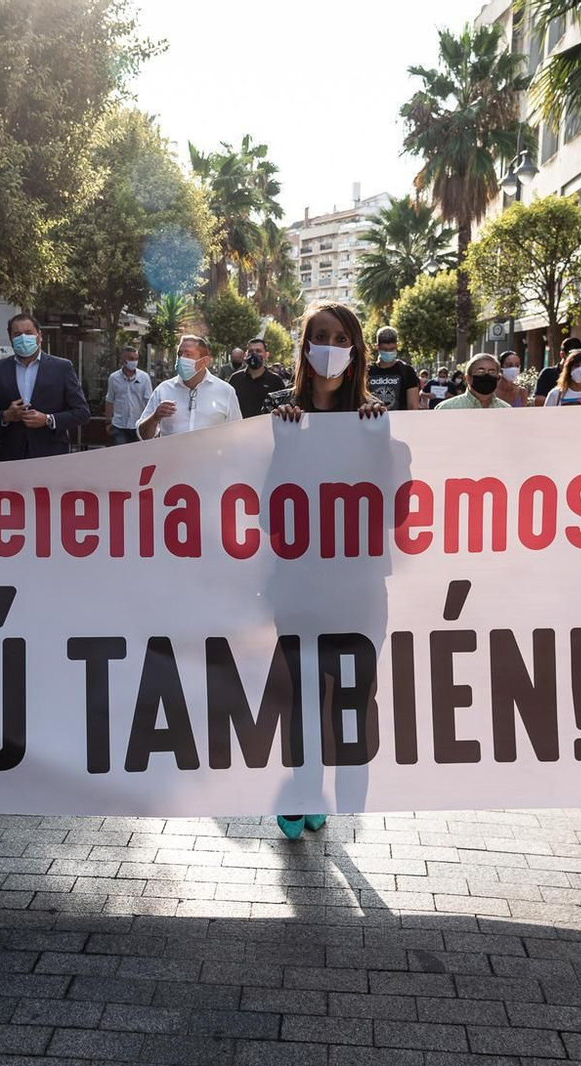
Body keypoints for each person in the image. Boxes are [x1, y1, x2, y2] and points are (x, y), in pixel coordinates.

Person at [270, 302, 387, 840]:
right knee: (301, 694)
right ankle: (302, 793)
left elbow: (392, 507)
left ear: (355, 348)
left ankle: (349, 811)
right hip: (297, 585)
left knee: (354, 696)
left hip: (358, 587)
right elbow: (269, 505)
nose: (330, 347)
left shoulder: (374, 419)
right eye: (319, 336)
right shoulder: (279, 414)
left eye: (340, 337)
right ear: (305, 347)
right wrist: (284, 446)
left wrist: (374, 444)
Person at [0, 313, 91, 460]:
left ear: (39, 336)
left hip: (52, 454)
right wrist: (5, 416)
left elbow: (82, 413)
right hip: (12, 455)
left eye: (28, 333)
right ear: (11, 339)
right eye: (17, 334)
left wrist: (48, 419)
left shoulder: (62, 368)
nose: (23, 338)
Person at [138, 334, 239, 439]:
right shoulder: (163, 390)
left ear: (204, 361)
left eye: (188, 354)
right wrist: (155, 417)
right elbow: (143, 436)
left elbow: (236, 433)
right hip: (172, 455)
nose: (181, 359)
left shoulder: (225, 391)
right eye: (179, 354)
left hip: (211, 455)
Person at [103, 345, 153, 445]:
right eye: (131, 359)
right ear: (124, 360)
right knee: (121, 456)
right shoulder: (114, 378)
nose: (134, 362)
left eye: (136, 359)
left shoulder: (144, 378)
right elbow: (110, 400)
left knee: (138, 457)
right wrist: (108, 422)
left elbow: (149, 401)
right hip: (119, 426)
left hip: (139, 425)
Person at [230, 336, 289, 418]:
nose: (254, 354)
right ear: (246, 355)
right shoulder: (235, 379)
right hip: (240, 428)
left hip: (266, 429)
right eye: (251, 351)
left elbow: (282, 408)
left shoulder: (275, 381)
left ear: (266, 355)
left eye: (258, 351)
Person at [365, 327, 422, 411]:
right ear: (377, 347)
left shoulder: (407, 371)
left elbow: (413, 405)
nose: (388, 352)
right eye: (384, 349)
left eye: (392, 349)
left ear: (397, 346)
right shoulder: (367, 371)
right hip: (374, 420)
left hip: (400, 421)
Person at [436, 355, 510, 409]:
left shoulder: (506, 410)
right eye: (480, 372)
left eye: (492, 372)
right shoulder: (447, 408)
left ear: (498, 379)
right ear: (467, 378)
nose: (486, 375)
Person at [534, 335, 581, 401]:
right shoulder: (548, 373)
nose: (575, 360)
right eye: (571, 357)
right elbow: (538, 400)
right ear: (562, 354)